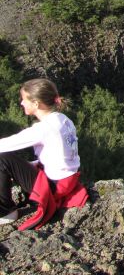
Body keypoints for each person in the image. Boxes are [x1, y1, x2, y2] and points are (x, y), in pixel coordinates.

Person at [0, 78, 88, 229]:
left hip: (54, 187)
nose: (21, 103)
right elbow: (60, 158)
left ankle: (5, 212)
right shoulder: (64, 120)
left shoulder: (44, 128)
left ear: (36, 103)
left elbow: (5, 145)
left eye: (24, 99)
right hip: (67, 181)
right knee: (13, 161)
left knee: (2, 159)